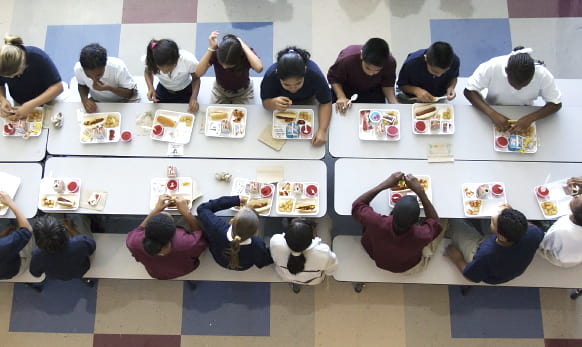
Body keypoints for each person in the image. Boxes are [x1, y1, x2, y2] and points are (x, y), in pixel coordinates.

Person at [351, 172, 443, 273]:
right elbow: (436, 224)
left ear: (392, 213)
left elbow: (357, 206)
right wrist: (421, 192)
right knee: (443, 220)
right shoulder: (422, 235)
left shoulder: (376, 222)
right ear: (418, 221)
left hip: (375, 255)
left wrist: (385, 184)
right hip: (406, 266)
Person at [464, 46, 562, 134]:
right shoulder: (493, 66)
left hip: (524, 111)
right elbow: (469, 91)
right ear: (506, 71)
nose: (518, 88)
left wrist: (530, 118)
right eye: (514, 84)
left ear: (533, 75)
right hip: (492, 107)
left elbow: (556, 103)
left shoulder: (542, 75)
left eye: (524, 85)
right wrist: (492, 114)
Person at [445, 207, 544, 284]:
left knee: (454, 221)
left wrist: (458, 259)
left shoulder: (486, 254)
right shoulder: (534, 233)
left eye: (493, 223)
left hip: (492, 273)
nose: (492, 219)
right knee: (484, 214)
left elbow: (470, 276)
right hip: (514, 261)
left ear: (501, 237)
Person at [260, 46, 332, 146]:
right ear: (278, 75)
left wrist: (322, 130)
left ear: (305, 72)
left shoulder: (314, 74)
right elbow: (265, 102)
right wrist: (272, 103)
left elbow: (326, 101)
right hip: (280, 107)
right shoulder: (270, 75)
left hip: (307, 100)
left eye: (298, 83)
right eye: (286, 84)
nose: (293, 89)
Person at [126, 195, 208, 279]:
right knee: (198, 219)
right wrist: (186, 212)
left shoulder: (133, 242)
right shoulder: (187, 244)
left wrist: (156, 210)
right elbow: (200, 236)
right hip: (184, 269)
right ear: (174, 233)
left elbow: (139, 229)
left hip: (156, 273)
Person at [196, 195, 272, 270]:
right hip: (243, 266)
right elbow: (262, 261)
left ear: (231, 222)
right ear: (255, 233)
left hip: (220, 260)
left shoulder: (215, 227)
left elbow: (202, 209)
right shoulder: (257, 245)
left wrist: (236, 200)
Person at [327, 38, 398, 114]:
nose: (371, 73)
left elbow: (387, 85)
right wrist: (341, 97)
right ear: (361, 55)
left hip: (373, 92)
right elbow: (334, 78)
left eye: (377, 70)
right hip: (346, 89)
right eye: (367, 68)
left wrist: (395, 104)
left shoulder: (390, 63)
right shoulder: (347, 59)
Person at [0, 35, 63, 120]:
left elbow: (58, 87)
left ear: (22, 64)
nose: (12, 78)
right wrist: (3, 99)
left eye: (15, 75)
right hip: (20, 103)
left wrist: (32, 104)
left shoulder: (38, 57)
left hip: (47, 100)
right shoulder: (2, 64)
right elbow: (0, 84)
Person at [195, 31, 263, 104]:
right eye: (222, 64)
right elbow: (198, 73)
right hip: (220, 91)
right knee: (213, 113)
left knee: (243, 114)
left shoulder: (245, 54)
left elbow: (259, 68)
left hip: (243, 92)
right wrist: (211, 48)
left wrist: (243, 45)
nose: (224, 67)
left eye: (229, 66)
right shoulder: (216, 52)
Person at [270, 218, 338, 290]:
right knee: (324, 219)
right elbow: (330, 271)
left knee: (284, 220)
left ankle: (295, 283)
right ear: (314, 236)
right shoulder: (323, 252)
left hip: (286, 276)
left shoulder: (275, 242)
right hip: (313, 280)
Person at [74, 43, 138, 113]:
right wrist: (84, 99)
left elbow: (130, 93)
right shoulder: (78, 69)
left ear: (105, 65)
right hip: (99, 102)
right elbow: (81, 85)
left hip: (124, 101)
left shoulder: (118, 68)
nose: (94, 79)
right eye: (89, 76)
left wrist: (109, 88)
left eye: (99, 75)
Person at [30, 215, 95, 282]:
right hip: (81, 270)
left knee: (58, 216)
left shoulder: (37, 254)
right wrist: (71, 229)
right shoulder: (80, 243)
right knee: (79, 217)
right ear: (64, 232)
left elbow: (36, 273)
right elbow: (92, 247)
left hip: (57, 276)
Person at [144, 38, 201, 113]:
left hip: (184, 90)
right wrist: (150, 88)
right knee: (158, 112)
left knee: (186, 113)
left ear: (176, 62)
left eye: (169, 69)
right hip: (164, 88)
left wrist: (194, 97)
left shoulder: (189, 61)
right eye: (161, 69)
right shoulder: (152, 59)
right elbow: (147, 72)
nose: (165, 72)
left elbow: (196, 78)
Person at [538, 193, 582, 267]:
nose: (577, 195)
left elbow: (544, 244)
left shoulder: (560, 229)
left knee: (535, 228)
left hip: (559, 258)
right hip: (577, 257)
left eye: (580, 196)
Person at [0, 192, 32, 279]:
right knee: (32, 233)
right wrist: (10, 203)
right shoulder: (3, 246)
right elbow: (27, 230)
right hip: (12, 270)